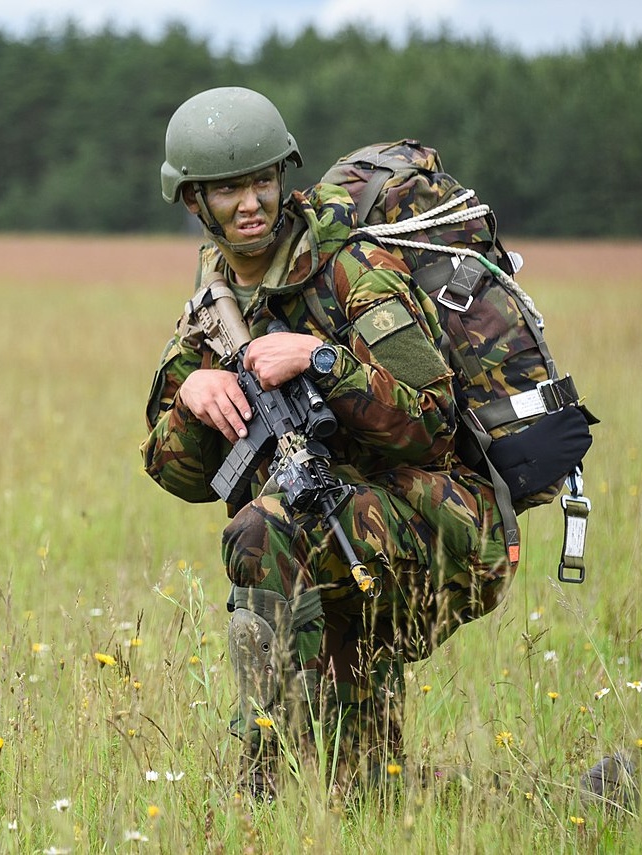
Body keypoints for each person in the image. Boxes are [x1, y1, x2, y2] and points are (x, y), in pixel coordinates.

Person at [140, 87, 516, 799]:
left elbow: (431, 422)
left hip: (446, 523)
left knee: (265, 528)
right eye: (227, 189)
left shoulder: (348, 270)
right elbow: (176, 470)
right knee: (361, 790)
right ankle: (596, 798)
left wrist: (323, 360)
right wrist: (193, 399)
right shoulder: (215, 295)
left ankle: (258, 775)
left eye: (261, 181)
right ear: (193, 201)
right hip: (335, 536)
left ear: (283, 177)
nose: (249, 202)